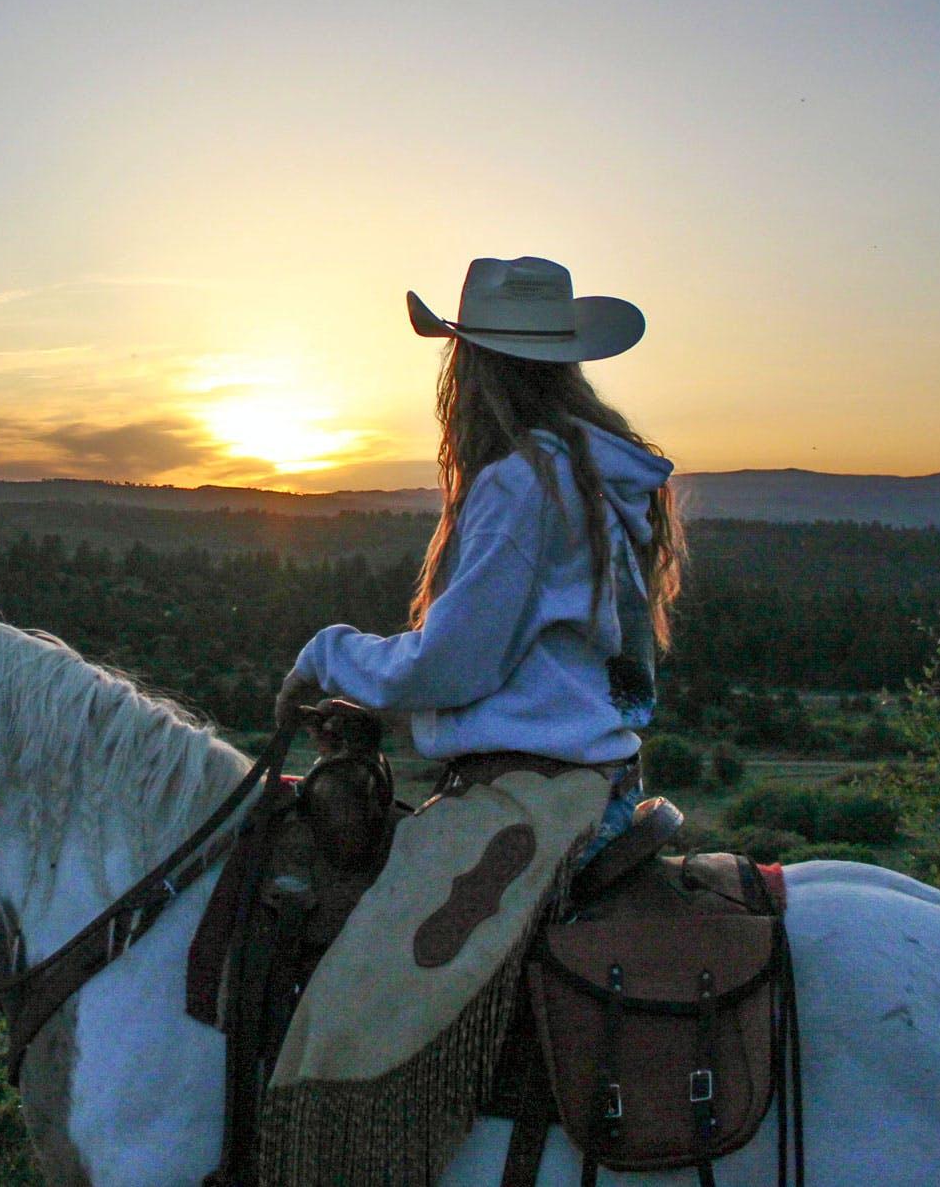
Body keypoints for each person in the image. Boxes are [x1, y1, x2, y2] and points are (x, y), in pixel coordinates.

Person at [256, 256, 685, 1186]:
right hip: (590, 782)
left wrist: (328, 653)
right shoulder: (598, 474)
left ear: (471, 368)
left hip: (525, 793)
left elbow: (452, 662)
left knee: (352, 1011)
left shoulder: (521, 483)